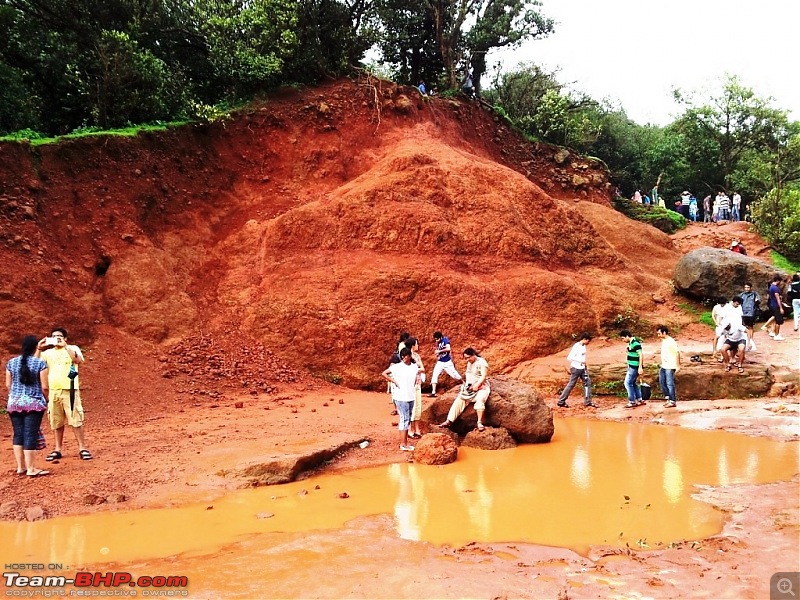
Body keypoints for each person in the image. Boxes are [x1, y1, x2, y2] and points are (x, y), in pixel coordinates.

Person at [36, 327, 92, 461]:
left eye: (59, 336)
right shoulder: (47, 353)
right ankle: (58, 449)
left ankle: (82, 448)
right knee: (56, 421)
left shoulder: (73, 348)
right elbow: (34, 364)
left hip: (70, 389)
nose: (56, 338)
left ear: (65, 338)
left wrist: (65, 346)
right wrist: (39, 348)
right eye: (54, 336)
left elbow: (77, 360)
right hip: (54, 390)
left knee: (76, 419)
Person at [6, 335, 50, 477]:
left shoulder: (11, 363)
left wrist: (15, 397)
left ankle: (21, 467)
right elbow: (44, 386)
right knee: (30, 434)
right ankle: (31, 469)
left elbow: (8, 385)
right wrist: (47, 400)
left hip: (14, 403)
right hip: (33, 403)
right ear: (34, 348)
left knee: (18, 434)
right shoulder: (40, 364)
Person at [438, 348, 490, 431]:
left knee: (480, 400)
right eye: (466, 358)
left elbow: (483, 376)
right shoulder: (470, 363)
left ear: (473, 354)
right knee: (459, 399)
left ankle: (479, 422)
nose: (467, 360)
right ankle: (449, 421)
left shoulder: (482, 362)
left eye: (468, 357)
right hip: (470, 387)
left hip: (481, 387)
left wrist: (477, 385)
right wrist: (468, 386)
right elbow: (469, 374)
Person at [382, 347, 421, 451]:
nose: (404, 358)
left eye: (406, 356)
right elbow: (384, 373)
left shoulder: (414, 367)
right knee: (404, 419)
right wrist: (394, 381)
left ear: (409, 356)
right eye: (403, 356)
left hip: (410, 396)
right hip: (401, 397)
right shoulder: (397, 367)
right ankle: (403, 444)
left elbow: (418, 373)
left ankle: (404, 443)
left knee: (407, 418)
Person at [556, 333, 597, 408]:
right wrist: (580, 361)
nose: (588, 342)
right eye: (588, 340)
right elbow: (570, 357)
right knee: (571, 384)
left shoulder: (583, 346)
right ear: (584, 339)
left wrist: (584, 364)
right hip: (576, 368)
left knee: (587, 383)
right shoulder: (576, 346)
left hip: (582, 368)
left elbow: (582, 356)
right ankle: (561, 401)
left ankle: (588, 401)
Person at [428, 331, 463, 397]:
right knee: (435, 374)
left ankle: (464, 384)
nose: (436, 340)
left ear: (441, 337)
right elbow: (440, 350)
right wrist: (438, 355)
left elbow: (448, 348)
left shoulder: (445, 340)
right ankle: (433, 392)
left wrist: (439, 351)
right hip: (440, 362)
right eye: (435, 339)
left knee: (454, 374)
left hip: (447, 362)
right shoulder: (438, 342)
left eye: (437, 339)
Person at [404, 337, 425, 439]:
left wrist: (416, 369)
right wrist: (416, 369)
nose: (418, 346)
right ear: (412, 345)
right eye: (416, 344)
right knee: (412, 406)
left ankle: (416, 429)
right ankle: (410, 430)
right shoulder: (407, 356)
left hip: (417, 383)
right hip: (410, 385)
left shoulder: (416, 356)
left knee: (418, 406)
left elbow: (422, 368)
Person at [656, 326, 680, 408]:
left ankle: (672, 401)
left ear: (664, 333)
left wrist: (677, 365)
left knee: (670, 383)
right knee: (662, 381)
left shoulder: (671, 342)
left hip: (670, 365)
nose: (658, 335)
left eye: (659, 333)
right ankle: (668, 398)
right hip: (664, 365)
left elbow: (677, 353)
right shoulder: (664, 341)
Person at [620, 330, 644, 408]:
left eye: (623, 338)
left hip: (634, 367)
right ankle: (639, 399)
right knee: (633, 383)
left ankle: (632, 401)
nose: (622, 340)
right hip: (632, 366)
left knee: (627, 383)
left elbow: (641, 355)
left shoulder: (635, 343)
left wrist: (640, 367)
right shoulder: (631, 343)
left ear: (627, 336)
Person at [740, 282, 761, 349]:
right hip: (743, 313)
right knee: (743, 327)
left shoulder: (754, 294)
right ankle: (744, 341)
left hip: (751, 313)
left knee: (751, 327)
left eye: (748, 287)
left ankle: (751, 340)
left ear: (751, 288)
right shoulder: (741, 295)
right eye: (745, 287)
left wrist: (757, 301)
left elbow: (758, 301)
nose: (746, 289)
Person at [766, 275, 786, 341]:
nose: (780, 283)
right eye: (780, 281)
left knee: (775, 319)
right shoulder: (775, 288)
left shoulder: (770, 287)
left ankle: (773, 332)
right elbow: (778, 298)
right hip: (776, 305)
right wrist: (781, 308)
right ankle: (777, 335)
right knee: (779, 320)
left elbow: (768, 297)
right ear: (778, 281)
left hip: (772, 304)